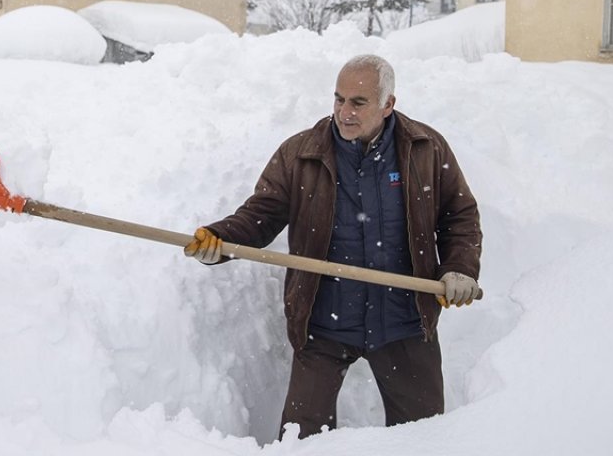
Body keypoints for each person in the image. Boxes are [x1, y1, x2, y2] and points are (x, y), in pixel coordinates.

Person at [185, 54, 482, 438]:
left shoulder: (425, 149)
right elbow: (261, 215)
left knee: (423, 440)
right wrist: (221, 240)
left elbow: (460, 215)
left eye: (358, 102)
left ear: (388, 104)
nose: (345, 112)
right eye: (339, 99)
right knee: (300, 441)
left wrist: (459, 267)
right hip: (324, 321)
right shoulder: (302, 154)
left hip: (404, 322)